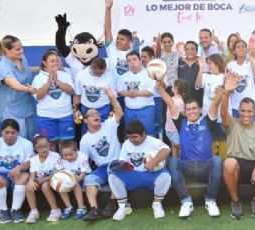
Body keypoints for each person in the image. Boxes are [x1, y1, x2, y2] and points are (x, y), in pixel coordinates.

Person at [156, 80, 223, 218]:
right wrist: (161, 90)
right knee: (173, 161)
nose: (191, 111)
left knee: (217, 160)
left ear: (200, 110)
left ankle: (211, 200)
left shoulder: (208, 122)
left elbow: (215, 103)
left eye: (194, 109)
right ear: (185, 111)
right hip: (187, 166)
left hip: (205, 166)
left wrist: (224, 88)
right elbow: (170, 103)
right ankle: (186, 201)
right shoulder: (181, 122)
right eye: (188, 109)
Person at [221, 73, 255, 219]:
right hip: (237, 164)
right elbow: (223, 112)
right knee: (229, 162)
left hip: (254, 165)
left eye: (249, 111)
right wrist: (226, 92)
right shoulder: (232, 123)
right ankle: (236, 201)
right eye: (243, 111)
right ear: (238, 111)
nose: (245, 114)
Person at [108, 120, 171, 220]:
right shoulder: (126, 144)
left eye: (135, 137)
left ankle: (157, 204)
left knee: (165, 176)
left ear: (143, 134)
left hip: (151, 175)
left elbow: (166, 150)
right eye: (129, 137)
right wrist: (123, 166)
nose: (132, 140)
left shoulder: (152, 141)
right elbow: (122, 160)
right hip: (133, 176)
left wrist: (153, 162)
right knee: (113, 176)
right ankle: (123, 206)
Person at [80, 88, 123, 221]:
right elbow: (84, 160)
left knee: (118, 172)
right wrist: (83, 173)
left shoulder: (109, 124)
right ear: (86, 120)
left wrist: (111, 97)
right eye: (91, 114)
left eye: (97, 113)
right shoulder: (85, 139)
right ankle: (94, 209)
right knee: (88, 180)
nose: (96, 115)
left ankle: (112, 203)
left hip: (117, 163)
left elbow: (119, 113)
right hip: (102, 168)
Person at [0, 119, 33, 224]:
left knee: (24, 176)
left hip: (17, 174)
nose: (10, 135)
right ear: (1, 132)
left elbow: (30, 162)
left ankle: (15, 209)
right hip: (0, 174)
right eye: (6, 132)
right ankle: (3, 210)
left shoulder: (26, 143)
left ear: (18, 132)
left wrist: (19, 167)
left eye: (13, 132)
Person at [0, 35, 38, 141]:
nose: (21, 51)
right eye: (17, 49)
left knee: (30, 135)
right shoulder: (3, 66)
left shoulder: (21, 58)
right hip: (11, 108)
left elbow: (26, 70)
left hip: (25, 104)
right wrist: (28, 89)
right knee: (19, 137)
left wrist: (42, 68)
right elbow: (14, 84)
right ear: (6, 50)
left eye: (21, 48)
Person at [32, 50, 75, 152]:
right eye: (52, 61)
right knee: (49, 143)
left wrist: (58, 82)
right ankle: (53, 165)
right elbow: (38, 96)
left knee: (66, 143)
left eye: (57, 61)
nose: (55, 63)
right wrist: (48, 82)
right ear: (44, 62)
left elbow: (72, 91)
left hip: (65, 115)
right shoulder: (38, 78)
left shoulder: (65, 75)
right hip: (46, 116)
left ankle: (65, 166)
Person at [195, 54, 227, 158]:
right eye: (207, 63)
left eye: (210, 63)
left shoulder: (224, 76)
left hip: (221, 114)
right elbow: (198, 85)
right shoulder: (205, 76)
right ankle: (212, 161)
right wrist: (200, 68)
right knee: (210, 138)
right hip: (208, 115)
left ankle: (223, 161)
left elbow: (230, 92)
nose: (208, 66)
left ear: (217, 63)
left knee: (223, 138)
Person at [117, 51, 156, 136]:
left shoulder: (149, 74)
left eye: (134, 59)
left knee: (148, 134)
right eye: (129, 61)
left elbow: (151, 91)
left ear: (140, 60)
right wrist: (128, 93)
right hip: (129, 110)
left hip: (146, 109)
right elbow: (120, 91)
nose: (132, 62)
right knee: (131, 135)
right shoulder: (123, 77)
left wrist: (137, 93)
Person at [73, 57, 115, 133]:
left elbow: (113, 96)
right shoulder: (81, 75)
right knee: (87, 134)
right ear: (91, 67)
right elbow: (77, 95)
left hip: (104, 109)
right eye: (98, 73)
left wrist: (113, 110)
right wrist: (75, 110)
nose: (101, 75)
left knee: (105, 133)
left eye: (103, 72)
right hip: (86, 109)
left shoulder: (109, 76)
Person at [25, 135, 61, 223]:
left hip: (53, 180)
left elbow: (58, 172)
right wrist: (30, 181)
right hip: (39, 181)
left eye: (46, 145)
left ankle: (55, 210)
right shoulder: (33, 159)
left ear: (49, 145)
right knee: (28, 186)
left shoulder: (55, 156)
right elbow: (32, 174)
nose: (43, 148)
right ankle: (33, 211)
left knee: (45, 185)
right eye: (40, 147)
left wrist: (44, 179)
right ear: (35, 148)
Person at [226, 40, 255, 123]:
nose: (241, 49)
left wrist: (250, 57)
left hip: (249, 105)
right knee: (235, 131)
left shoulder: (252, 63)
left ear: (246, 49)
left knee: (251, 131)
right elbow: (226, 82)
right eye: (238, 47)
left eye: (243, 46)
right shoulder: (230, 65)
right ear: (234, 51)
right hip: (235, 104)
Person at [55, 140, 91, 220]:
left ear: (76, 151)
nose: (68, 157)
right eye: (65, 155)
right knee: (59, 184)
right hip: (70, 177)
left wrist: (77, 178)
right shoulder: (60, 159)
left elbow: (83, 173)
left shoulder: (82, 156)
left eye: (71, 154)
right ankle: (69, 207)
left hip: (84, 177)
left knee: (75, 183)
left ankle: (81, 208)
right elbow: (59, 172)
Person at [104, 0, 136, 78]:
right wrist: (108, 9)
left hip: (127, 89)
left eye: (122, 39)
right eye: (118, 38)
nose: (118, 41)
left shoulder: (135, 54)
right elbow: (107, 29)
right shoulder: (111, 48)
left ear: (130, 41)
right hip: (112, 89)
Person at [177, 41, 205, 105]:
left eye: (192, 49)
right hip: (182, 99)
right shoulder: (179, 62)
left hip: (199, 99)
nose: (189, 51)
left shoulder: (202, 62)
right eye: (187, 49)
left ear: (197, 51)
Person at [165, 80, 187, 157]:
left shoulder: (172, 99)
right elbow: (182, 116)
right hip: (175, 130)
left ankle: (175, 163)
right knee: (179, 147)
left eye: (173, 86)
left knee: (174, 146)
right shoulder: (181, 102)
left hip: (169, 128)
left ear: (176, 88)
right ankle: (179, 163)